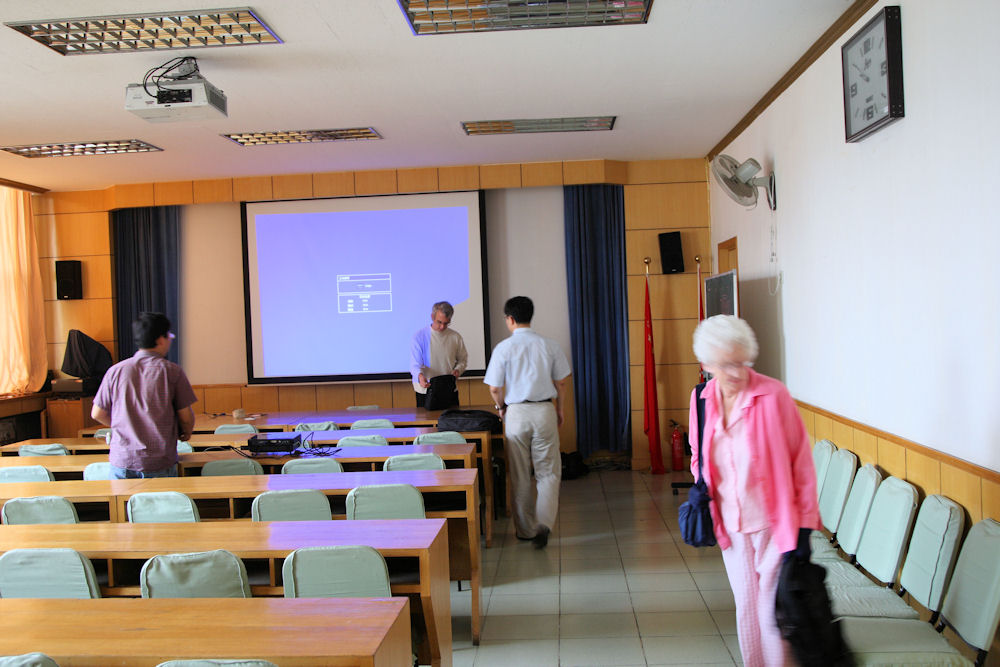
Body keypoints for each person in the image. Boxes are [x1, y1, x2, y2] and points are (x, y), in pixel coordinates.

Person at [689, 315, 819, 666]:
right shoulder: (701, 399)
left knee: (770, 612)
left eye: (741, 362)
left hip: (774, 523)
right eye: (724, 364)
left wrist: (804, 527)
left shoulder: (772, 395)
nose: (734, 372)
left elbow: (801, 463)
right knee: (746, 608)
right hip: (730, 524)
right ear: (706, 364)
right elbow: (697, 454)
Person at [484, 296, 572, 548]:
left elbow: (494, 388)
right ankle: (544, 524)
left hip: (516, 414)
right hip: (544, 409)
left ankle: (525, 531)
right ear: (529, 317)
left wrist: (501, 408)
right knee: (548, 473)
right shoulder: (550, 345)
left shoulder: (503, 348)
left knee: (521, 475)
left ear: (510, 319)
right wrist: (561, 409)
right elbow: (562, 382)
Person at [91, 312, 197, 478]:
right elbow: (185, 417)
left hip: (123, 460)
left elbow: (97, 413)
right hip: (159, 461)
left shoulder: (115, 371)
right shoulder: (172, 371)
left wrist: (123, 426)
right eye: (169, 336)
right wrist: (187, 432)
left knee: (126, 504)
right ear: (161, 339)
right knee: (161, 504)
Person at [410, 301, 468, 408]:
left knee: (451, 422)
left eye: (446, 323)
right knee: (426, 423)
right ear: (432, 316)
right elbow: (415, 364)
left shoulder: (455, 337)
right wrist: (420, 376)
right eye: (439, 322)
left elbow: (463, 360)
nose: (442, 327)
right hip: (425, 390)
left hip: (449, 389)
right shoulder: (419, 337)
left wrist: (458, 370)